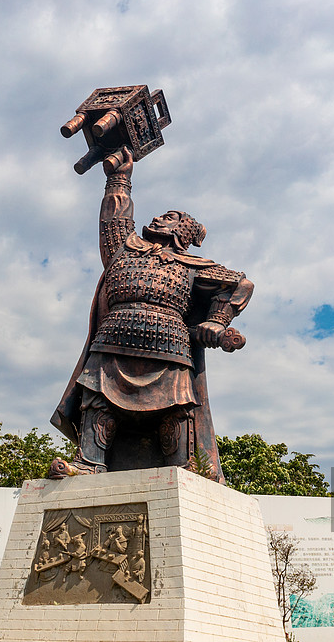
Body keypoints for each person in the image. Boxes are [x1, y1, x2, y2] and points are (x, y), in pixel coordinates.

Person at [50, 146, 253, 482]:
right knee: (98, 401)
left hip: (169, 344)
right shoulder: (125, 249)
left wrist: (215, 322)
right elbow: (115, 220)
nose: (158, 218)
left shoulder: (194, 266)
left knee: (175, 410)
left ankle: (182, 468)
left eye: (169, 216)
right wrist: (119, 178)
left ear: (181, 231)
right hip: (114, 338)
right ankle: (89, 461)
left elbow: (240, 284)